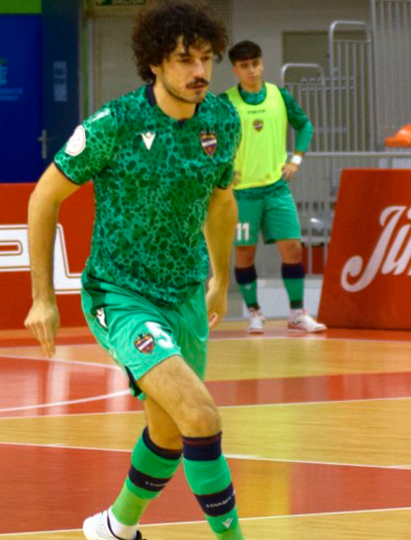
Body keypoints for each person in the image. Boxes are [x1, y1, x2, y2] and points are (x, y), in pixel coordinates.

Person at [23, 1, 246, 538]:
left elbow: (222, 204)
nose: (199, 72)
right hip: (120, 295)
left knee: (169, 434)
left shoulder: (222, 119)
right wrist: (43, 298)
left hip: (187, 292)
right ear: (154, 63)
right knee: (201, 416)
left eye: (206, 59)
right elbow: (42, 199)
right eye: (184, 60)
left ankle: (115, 527)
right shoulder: (114, 124)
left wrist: (220, 281)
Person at [222, 40, 326, 334]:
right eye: (244, 66)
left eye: (255, 63)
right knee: (244, 255)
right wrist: (222, 170)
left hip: (277, 189)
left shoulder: (280, 96)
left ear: (262, 63)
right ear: (235, 69)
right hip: (242, 194)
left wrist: (296, 159)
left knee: (293, 249)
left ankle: (297, 313)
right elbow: (205, 137)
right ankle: (255, 313)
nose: (251, 70)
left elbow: (305, 126)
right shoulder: (225, 102)